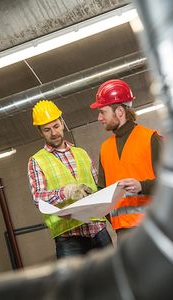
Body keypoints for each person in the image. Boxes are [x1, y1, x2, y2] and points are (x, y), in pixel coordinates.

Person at [27, 100, 112, 259]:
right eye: (47, 129)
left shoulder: (81, 153)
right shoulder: (37, 161)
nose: (54, 133)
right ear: (40, 132)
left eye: (56, 126)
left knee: (113, 279)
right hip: (69, 238)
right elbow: (38, 199)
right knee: (76, 284)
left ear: (62, 123)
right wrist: (65, 192)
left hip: (97, 229)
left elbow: (98, 187)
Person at [90, 79, 163, 237]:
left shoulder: (150, 138)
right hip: (123, 233)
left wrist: (141, 186)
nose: (99, 118)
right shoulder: (105, 148)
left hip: (152, 228)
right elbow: (103, 192)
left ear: (120, 112)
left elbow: (170, 183)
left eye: (103, 112)